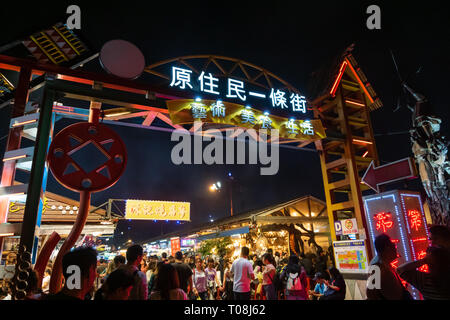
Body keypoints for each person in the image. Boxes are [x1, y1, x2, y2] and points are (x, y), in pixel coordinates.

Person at [366, 233, 412, 300]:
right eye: (393, 245)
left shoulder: (384, 264)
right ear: (387, 248)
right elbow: (370, 294)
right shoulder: (377, 268)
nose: (396, 248)